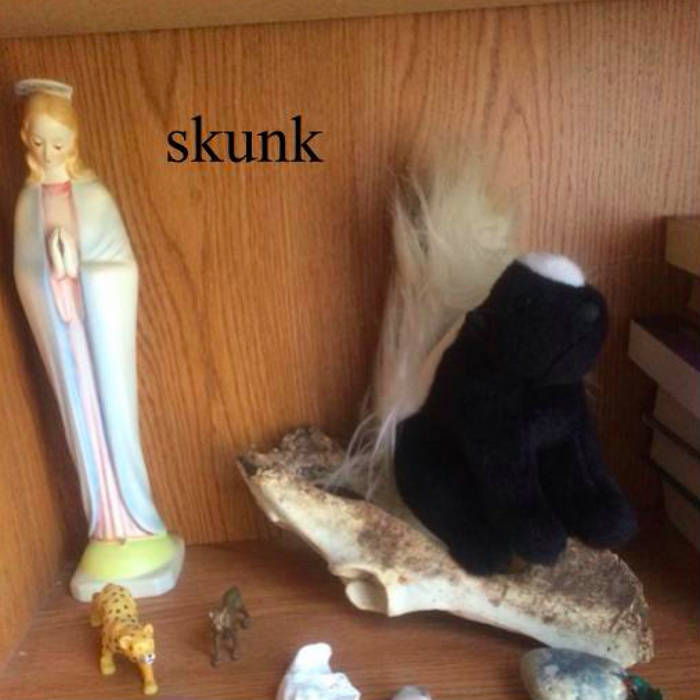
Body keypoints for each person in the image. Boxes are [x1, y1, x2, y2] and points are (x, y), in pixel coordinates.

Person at [14, 79, 182, 599]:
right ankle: (104, 528)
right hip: (66, 338)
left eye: (58, 143)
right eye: (38, 142)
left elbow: (121, 266)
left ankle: (138, 522)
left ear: (74, 141)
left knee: (115, 418)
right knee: (82, 425)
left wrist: (80, 269)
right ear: (25, 140)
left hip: (100, 331)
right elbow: (25, 272)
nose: (48, 153)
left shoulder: (94, 197)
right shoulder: (26, 204)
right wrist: (52, 273)